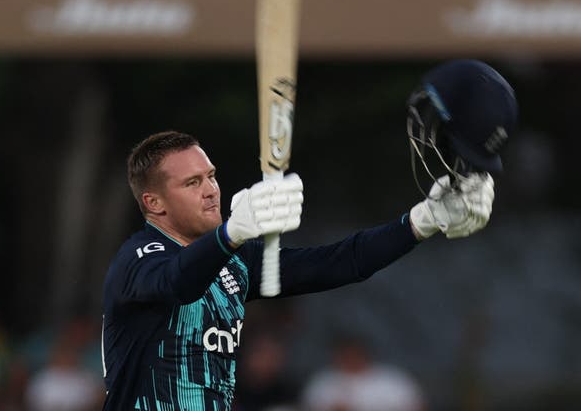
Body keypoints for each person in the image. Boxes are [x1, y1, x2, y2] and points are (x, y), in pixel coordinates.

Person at [101, 59, 518, 411]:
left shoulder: (234, 266)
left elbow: (341, 262)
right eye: (192, 183)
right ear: (154, 203)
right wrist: (231, 233)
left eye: (211, 176)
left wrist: (420, 222)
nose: (211, 189)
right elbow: (177, 282)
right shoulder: (137, 259)